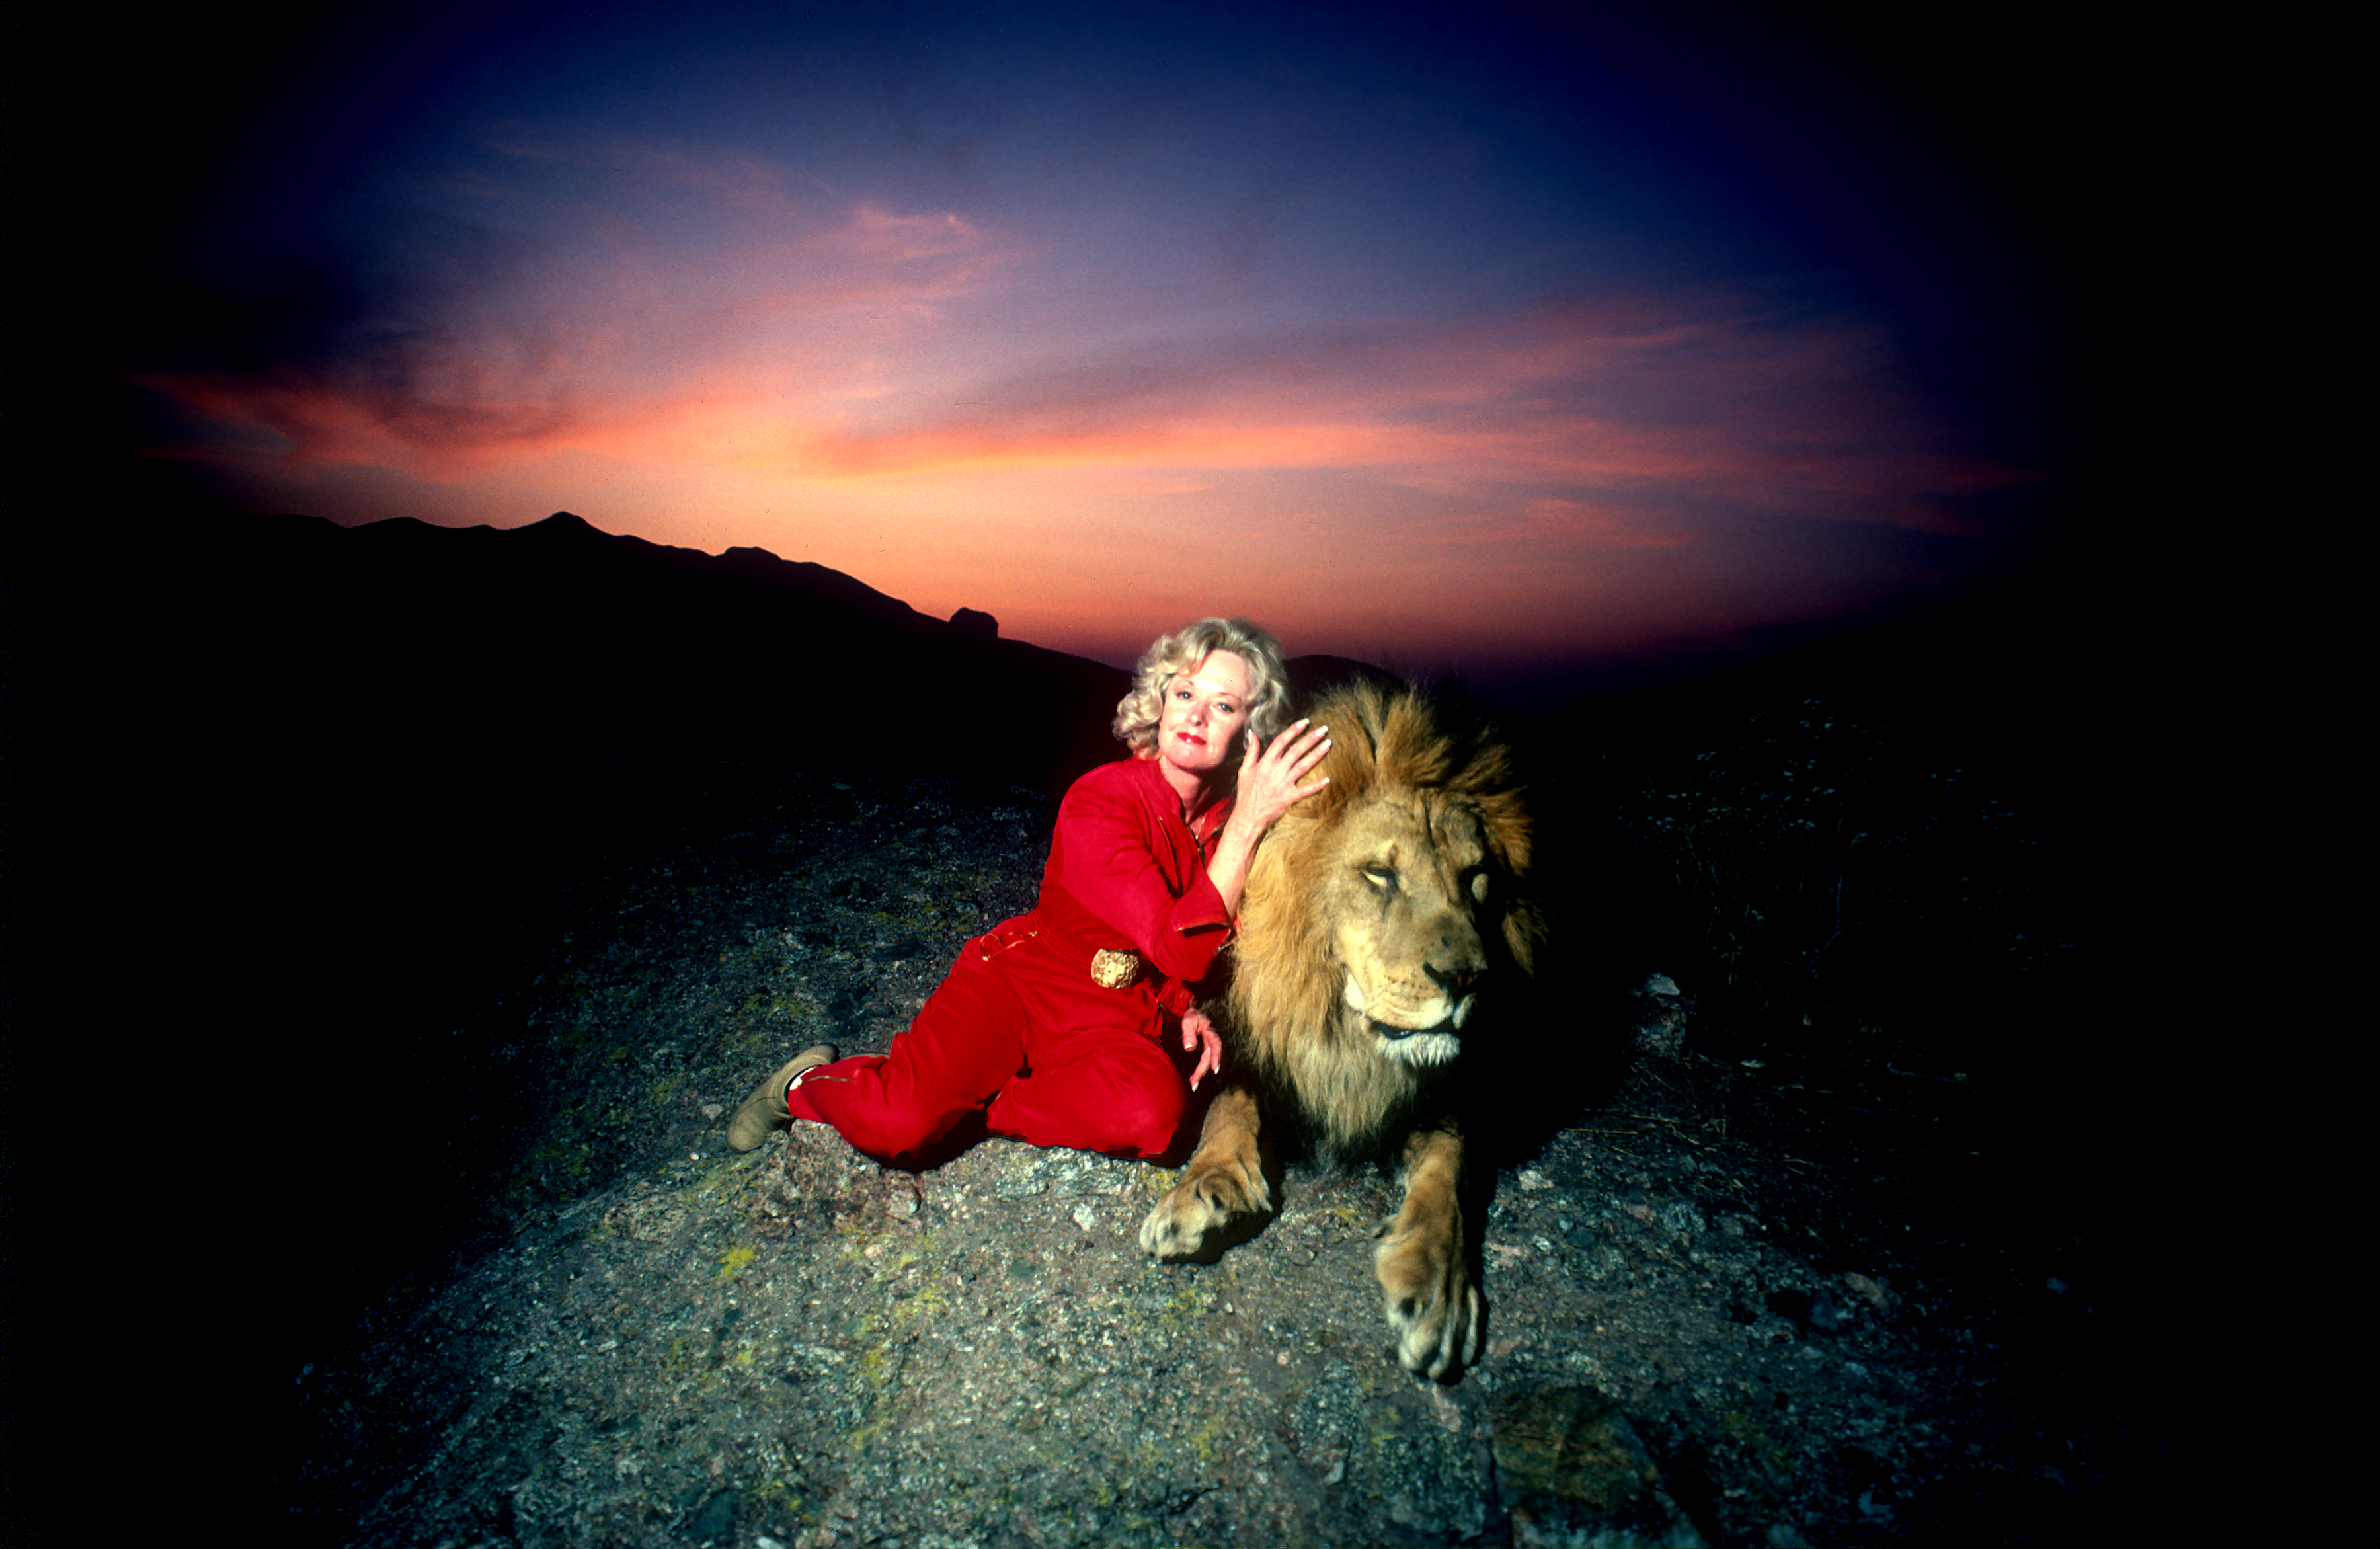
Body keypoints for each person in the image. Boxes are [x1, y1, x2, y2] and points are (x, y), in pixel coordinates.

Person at [727, 617, 1332, 1166]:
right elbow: (1175, 942)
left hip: (1119, 1013)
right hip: (1022, 983)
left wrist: (1185, 1005)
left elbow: (1176, 958)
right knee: (900, 1125)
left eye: (1223, 705)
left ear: (1253, 732)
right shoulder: (1101, 801)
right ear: (1160, 702)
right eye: (1184, 694)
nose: (1195, 716)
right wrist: (1252, 825)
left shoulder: (1230, 822)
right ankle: (803, 1085)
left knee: (1156, 1116)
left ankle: (973, 1109)